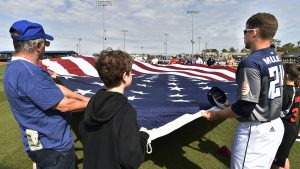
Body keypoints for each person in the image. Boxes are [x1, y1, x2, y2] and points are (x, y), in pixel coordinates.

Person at [202, 13, 284, 169]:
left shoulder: (251, 62)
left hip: (256, 131)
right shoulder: (275, 56)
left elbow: (245, 106)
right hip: (275, 125)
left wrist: (215, 115)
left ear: (254, 32)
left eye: (245, 31)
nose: (244, 35)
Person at [3, 20, 89, 169]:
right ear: (37, 46)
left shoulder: (14, 67)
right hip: (54, 148)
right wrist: (95, 102)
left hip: (36, 144)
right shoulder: (31, 73)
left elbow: (53, 88)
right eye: (45, 44)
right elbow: (65, 106)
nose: (45, 48)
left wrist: (83, 98)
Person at [79, 49, 150, 169]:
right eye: (130, 72)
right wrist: (143, 137)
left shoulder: (93, 102)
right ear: (124, 77)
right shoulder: (126, 111)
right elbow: (130, 158)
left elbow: (82, 130)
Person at [272, 64, 300, 169]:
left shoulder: (284, 91)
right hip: (292, 127)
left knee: (277, 163)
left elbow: (275, 112)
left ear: (286, 75)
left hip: (284, 128)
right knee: (283, 158)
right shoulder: (296, 90)